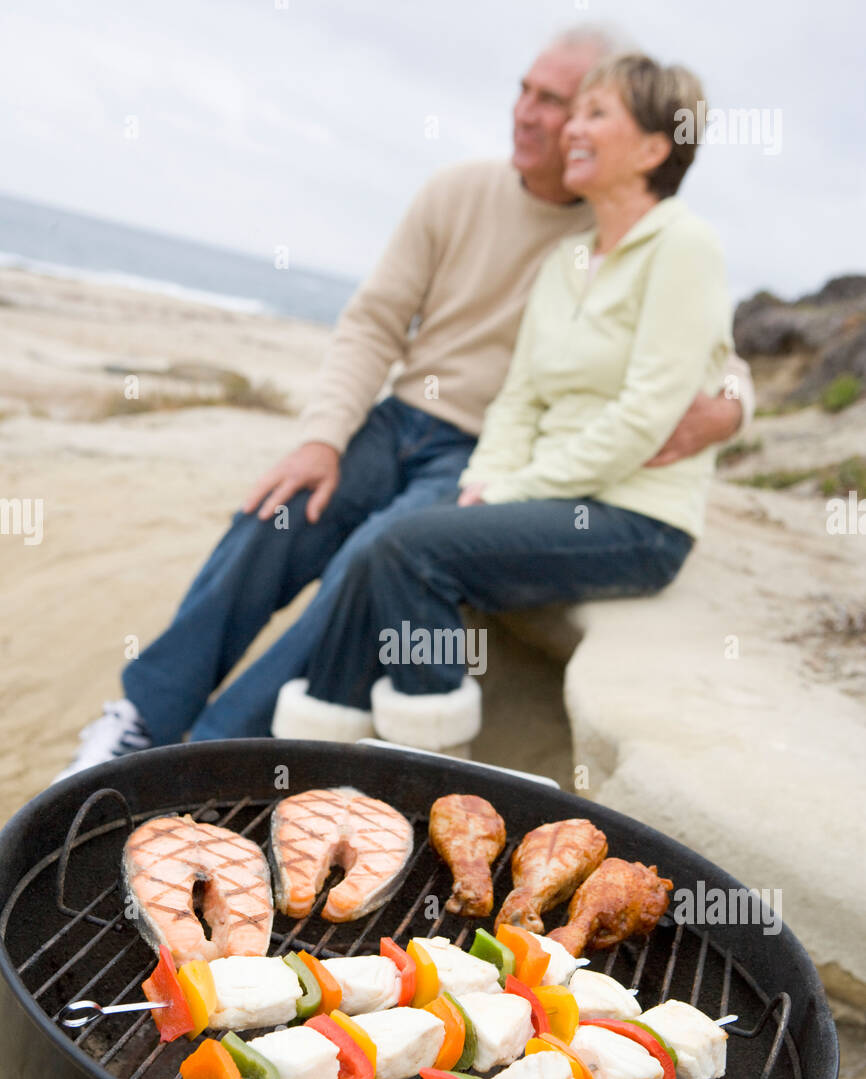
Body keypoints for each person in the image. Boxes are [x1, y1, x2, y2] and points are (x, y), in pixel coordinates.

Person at [54, 28, 751, 778]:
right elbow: (376, 319)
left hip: (477, 453)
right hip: (402, 423)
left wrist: (735, 405)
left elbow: (709, 352)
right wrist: (323, 437)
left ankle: (216, 752)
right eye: (527, 91)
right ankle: (143, 717)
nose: (533, 114)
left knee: (373, 558)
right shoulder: (465, 196)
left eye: (563, 104)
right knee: (277, 515)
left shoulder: (619, 225)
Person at [243, 50, 737, 752]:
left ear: (655, 147)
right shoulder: (569, 261)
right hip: (548, 496)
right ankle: (308, 764)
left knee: (407, 551)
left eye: (597, 114)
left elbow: (646, 414)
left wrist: (516, 490)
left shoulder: (685, 246)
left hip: (639, 520)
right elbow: (519, 399)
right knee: (384, 549)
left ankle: (439, 775)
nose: (572, 129)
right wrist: (483, 484)